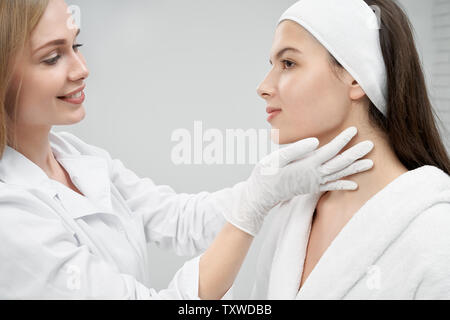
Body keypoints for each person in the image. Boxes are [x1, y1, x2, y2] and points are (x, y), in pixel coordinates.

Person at [0, 0, 375, 299]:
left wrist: (270, 189)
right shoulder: (10, 218)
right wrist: (252, 207)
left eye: (76, 45)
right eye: (52, 57)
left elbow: (181, 220)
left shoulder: (77, 157)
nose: (81, 68)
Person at [251, 0, 450, 300]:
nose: (263, 87)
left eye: (288, 63)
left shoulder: (437, 234)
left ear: (355, 76)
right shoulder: (292, 212)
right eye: (273, 66)